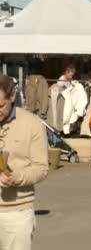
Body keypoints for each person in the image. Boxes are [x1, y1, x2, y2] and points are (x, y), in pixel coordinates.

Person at [0, 74, 48, 250]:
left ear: (12, 97)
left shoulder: (32, 124)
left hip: (16, 213)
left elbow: (41, 168)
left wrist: (17, 177)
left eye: (1, 106)